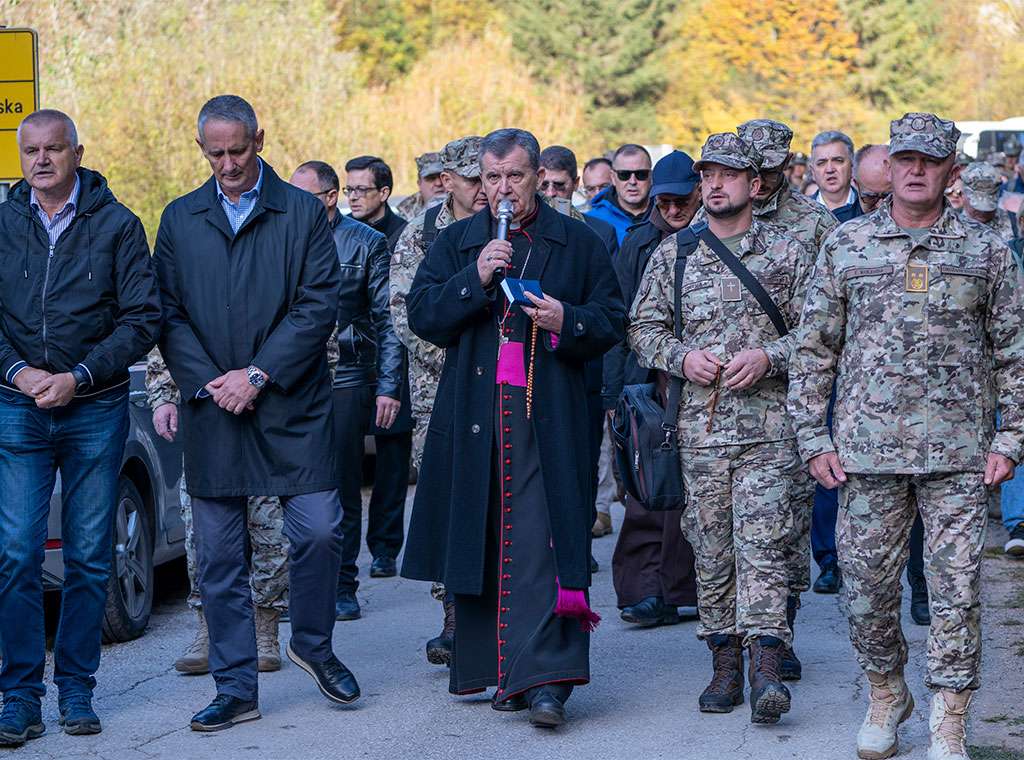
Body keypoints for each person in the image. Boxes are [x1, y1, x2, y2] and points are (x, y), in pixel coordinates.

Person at [789, 112, 1024, 760]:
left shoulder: (986, 254)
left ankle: (950, 717)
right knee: (865, 591)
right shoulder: (848, 246)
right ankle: (888, 692)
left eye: (931, 159)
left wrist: (1011, 440)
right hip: (867, 456)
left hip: (959, 459)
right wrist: (814, 438)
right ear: (889, 167)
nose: (917, 169)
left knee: (957, 594)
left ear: (951, 169)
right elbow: (814, 350)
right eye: (907, 158)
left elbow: (1016, 354)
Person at [402, 128, 624, 728]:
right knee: (488, 537)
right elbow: (422, 316)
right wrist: (472, 278)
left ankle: (548, 681)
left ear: (537, 176)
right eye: (492, 178)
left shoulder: (577, 240)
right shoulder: (457, 242)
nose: (503, 191)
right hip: (477, 419)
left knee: (543, 545)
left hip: (546, 419)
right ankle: (492, 668)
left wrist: (565, 318)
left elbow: (611, 321)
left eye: (515, 178)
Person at [154, 95, 358, 731]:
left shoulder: (300, 212)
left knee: (321, 530)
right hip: (215, 407)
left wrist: (259, 374)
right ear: (201, 150)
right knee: (217, 556)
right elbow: (168, 313)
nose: (227, 164)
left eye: (237, 150)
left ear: (260, 140)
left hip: (292, 404)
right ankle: (235, 686)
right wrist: (211, 383)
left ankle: (313, 644)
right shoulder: (181, 218)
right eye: (214, 153)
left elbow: (318, 303)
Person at [629, 133, 812, 725]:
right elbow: (643, 328)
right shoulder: (674, 254)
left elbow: (818, 331)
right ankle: (724, 657)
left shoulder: (786, 252)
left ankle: (764, 663)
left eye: (727, 175)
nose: (714, 184)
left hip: (770, 428)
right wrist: (680, 358)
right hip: (700, 432)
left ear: (754, 185)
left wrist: (769, 357)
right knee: (710, 546)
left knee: (763, 542)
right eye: (707, 174)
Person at [0, 109, 161, 747]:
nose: (42, 160)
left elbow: (142, 318)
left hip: (95, 406)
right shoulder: (3, 223)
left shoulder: (118, 224)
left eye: (55, 149)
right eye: (31, 150)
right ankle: (18, 697)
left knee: (92, 558)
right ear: (21, 157)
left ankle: (76, 690)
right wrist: (17, 373)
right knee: (16, 554)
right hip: (17, 405)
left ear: (77, 153)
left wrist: (81, 376)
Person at [737, 118, 839, 680]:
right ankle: (749, 639)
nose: (763, 179)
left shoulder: (815, 223)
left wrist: (773, 356)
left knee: (788, 522)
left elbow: (827, 320)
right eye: (755, 168)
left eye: (773, 168)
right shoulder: (715, 217)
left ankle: (782, 627)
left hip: (795, 394)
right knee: (733, 528)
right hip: (725, 402)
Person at [289, 160, 407, 621]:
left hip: (348, 377)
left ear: (330, 198)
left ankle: (343, 585)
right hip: (288, 376)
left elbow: (388, 320)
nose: (296, 206)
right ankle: (295, 584)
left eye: (307, 198)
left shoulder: (367, 243)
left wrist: (388, 386)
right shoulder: (282, 238)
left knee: (340, 484)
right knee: (293, 484)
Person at [391, 135, 487, 666]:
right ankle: (452, 613)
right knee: (447, 496)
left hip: (495, 383)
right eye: (471, 180)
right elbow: (406, 313)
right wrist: (457, 351)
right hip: (439, 388)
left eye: (486, 178)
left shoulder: (503, 228)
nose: (481, 190)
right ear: (447, 180)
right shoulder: (421, 236)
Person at [604, 149, 702, 628]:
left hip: (708, 382)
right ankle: (643, 590)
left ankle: (686, 590)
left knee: (697, 495)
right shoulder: (638, 244)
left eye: (681, 200)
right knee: (645, 489)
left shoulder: (716, 238)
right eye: (664, 202)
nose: (673, 210)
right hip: (649, 385)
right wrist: (616, 397)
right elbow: (616, 321)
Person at [146, 350, 288, 675]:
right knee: (200, 533)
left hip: (267, 406)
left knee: (270, 528)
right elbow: (168, 334)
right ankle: (209, 629)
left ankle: (266, 628)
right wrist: (163, 397)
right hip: (204, 410)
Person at [538, 145, 619, 542]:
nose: (552, 192)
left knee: (584, 459)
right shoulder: (528, 234)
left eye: (560, 185)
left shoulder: (596, 232)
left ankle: (580, 536)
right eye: (546, 184)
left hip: (586, 362)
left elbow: (611, 306)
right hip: (538, 365)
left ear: (574, 186)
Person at [588, 144, 654, 243]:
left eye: (641, 174)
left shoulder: (668, 214)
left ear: (651, 176)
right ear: (613, 178)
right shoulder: (592, 221)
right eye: (624, 175)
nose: (632, 181)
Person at [345, 155, 408, 249]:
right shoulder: (340, 229)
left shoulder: (406, 234)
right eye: (349, 189)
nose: (352, 197)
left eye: (361, 189)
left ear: (383, 193)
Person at [960, 161, 1019, 243]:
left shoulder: (1012, 221)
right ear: (963, 194)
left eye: (989, 204)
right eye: (977, 207)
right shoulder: (952, 221)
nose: (983, 212)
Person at [810, 130, 863, 221]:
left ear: (852, 165)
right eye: (821, 163)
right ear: (813, 172)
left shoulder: (870, 209)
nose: (830, 169)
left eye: (838, 161)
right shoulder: (797, 213)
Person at [397, 151, 445, 219]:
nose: (438, 183)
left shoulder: (463, 206)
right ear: (419, 184)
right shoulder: (405, 215)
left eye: (443, 177)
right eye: (431, 178)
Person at [854, 144, 892, 213]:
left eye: (889, 197)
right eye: (871, 198)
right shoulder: (841, 221)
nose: (880, 206)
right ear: (856, 185)